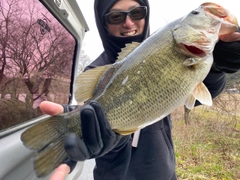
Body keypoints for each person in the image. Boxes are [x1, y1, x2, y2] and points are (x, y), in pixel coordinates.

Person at [40, 0, 240, 179]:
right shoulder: (96, 70)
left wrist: (217, 70)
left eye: (137, 13)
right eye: (116, 16)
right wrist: (94, 132)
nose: (128, 23)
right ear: (103, 23)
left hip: (164, 173)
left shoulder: (170, 49)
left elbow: (198, 97)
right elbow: (95, 123)